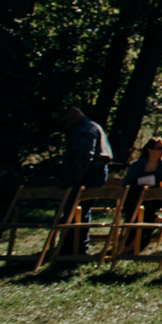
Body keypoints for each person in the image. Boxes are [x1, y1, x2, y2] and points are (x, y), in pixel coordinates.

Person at [59, 106, 113, 254]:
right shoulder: (90, 126)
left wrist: (75, 175)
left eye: (66, 123)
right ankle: (74, 245)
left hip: (87, 176)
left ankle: (75, 247)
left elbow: (85, 156)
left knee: (77, 210)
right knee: (78, 211)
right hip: (89, 174)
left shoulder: (85, 130)